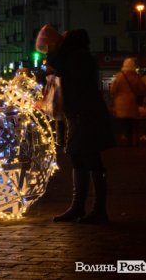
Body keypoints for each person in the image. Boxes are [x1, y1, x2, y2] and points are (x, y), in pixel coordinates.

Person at [35, 24, 115, 223]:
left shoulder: (79, 58)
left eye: (49, 48)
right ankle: (78, 206)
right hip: (76, 114)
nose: (49, 52)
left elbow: (72, 78)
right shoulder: (73, 57)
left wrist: (53, 61)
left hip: (86, 114)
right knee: (78, 157)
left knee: (91, 159)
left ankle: (98, 210)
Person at [110, 58, 146, 147]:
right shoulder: (136, 77)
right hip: (132, 104)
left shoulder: (119, 76)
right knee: (132, 122)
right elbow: (142, 90)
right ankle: (131, 140)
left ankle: (124, 137)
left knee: (124, 122)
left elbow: (113, 90)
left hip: (120, 105)